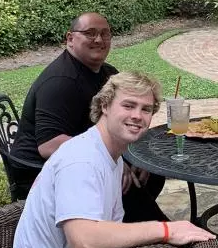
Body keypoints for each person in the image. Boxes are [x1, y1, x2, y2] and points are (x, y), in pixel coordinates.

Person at [13, 72, 214, 248]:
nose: (137, 116)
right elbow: (84, 242)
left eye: (146, 109)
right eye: (128, 105)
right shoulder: (82, 160)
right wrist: (166, 230)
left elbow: (107, 228)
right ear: (105, 106)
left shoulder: (110, 154)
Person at [9, 12, 166, 222]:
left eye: (105, 34)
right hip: (40, 170)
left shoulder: (107, 73)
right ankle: (144, 227)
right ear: (70, 38)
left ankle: (131, 220)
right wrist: (114, 160)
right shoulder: (60, 82)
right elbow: (48, 145)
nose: (99, 40)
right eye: (90, 33)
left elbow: (120, 123)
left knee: (151, 172)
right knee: (129, 186)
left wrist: (133, 156)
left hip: (85, 157)